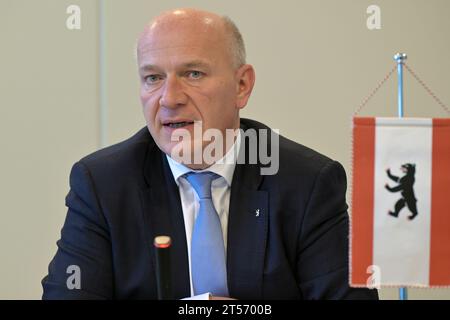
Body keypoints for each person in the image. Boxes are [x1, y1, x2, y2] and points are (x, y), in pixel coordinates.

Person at [42, 8, 378, 300]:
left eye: (193, 74)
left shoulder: (306, 183)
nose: (169, 98)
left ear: (241, 86)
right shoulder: (103, 185)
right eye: (153, 78)